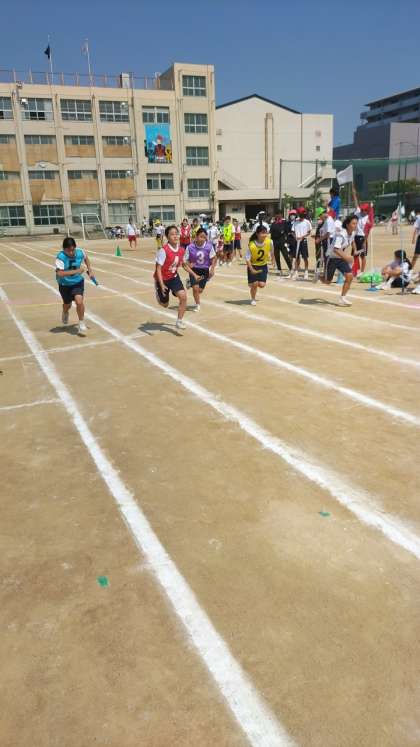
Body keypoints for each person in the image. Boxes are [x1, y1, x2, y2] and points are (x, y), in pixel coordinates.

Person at [55, 236, 93, 336]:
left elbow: (86, 258)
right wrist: (77, 271)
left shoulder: (80, 252)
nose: (71, 252)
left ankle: (81, 322)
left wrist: (90, 270)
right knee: (67, 305)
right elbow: (60, 273)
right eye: (68, 250)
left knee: (79, 301)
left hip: (77, 282)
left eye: (73, 250)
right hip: (64, 284)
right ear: (64, 249)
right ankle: (65, 312)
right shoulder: (60, 257)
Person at [154, 225, 188, 330]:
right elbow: (158, 269)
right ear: (167, 237)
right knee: (165, 304)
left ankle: (179, 321)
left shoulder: (181, 250)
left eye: (176, 233)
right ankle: (158, 293)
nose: (175, 236)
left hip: (173, 277)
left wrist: (194, 273)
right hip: (162, 279)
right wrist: (161, 284)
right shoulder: (163, 250)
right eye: (172, 234)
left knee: (183, 297)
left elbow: (183, 264)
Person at [320, 214, 357, 306]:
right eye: (353, 223)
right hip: (331, 258)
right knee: (328, 281)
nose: (355, 225)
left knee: (349, 276)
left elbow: (352, 241)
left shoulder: (352, 233)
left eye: (356, 223)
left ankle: (342, 298)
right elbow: (336, 249)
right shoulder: (341, 234)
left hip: (340, 258)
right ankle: (319, 276)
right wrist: (347, 257)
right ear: (347, 224)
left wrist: (355, 250)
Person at [184, 227, 217, 311]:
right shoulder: (190, 247)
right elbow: (185, 260)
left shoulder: (209, 246)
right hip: (194, 270)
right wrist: (189, 264)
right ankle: (197, 304)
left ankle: (190, 283)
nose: (203, 239)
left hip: (204, 270)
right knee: (195, 289)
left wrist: (212, 269)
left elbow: (214, 258)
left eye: (204, 237)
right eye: (201, 237)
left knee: (200, 290)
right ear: (196, 236)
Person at [245, 224, 275, 305]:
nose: (265, 235)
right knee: (255, 284)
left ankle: (252, 283)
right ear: (257, 234)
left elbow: (272, 251)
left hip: (263, 265)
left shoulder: (269, 241)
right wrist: (251, 269)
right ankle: (253, 299)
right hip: (253, 265)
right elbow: (247, 259)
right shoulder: (252, 245)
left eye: (266, 233)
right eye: (262, 233)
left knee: (262, 285)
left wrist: (273, 260)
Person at [352, 186, 370, 275]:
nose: (362, 211)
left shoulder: (367, 219)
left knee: (362, 256)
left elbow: (367, 232)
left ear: (367, 211)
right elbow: (356, 203)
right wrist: (354, 194)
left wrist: (364, 241)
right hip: (355, 237)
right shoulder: (358, 212)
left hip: (362, 238)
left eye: (364, 210)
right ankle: (355, 270)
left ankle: (362, 272)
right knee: (355, 255)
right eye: (362, 209)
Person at [292, 207, 312, 280]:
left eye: (303, 214)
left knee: (305, 257)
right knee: (296, 257)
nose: (302, 215)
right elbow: (292, 231)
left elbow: (309, 232)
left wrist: (302, 237)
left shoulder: (307, 222)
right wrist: (295, 237)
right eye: (301, 214)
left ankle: (306, 272)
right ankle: (296, 272)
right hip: (296, 241)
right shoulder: (295, 222)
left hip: (303, 241)